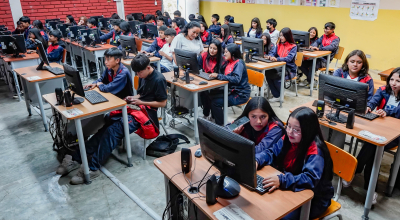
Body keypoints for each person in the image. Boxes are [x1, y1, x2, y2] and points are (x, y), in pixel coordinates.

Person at [57, 54, 167, 185]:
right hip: (137, 107)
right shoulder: (143, 75)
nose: (138, 75)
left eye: (140, 72)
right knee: (107, 124)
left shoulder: (159, 79)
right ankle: (76, 157)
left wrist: (140, 101)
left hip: (147, 114)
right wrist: (134, 98)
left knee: (114, 130)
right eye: (136, 72)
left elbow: (162, 103)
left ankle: (93, 168)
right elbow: (142, 94)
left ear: (148, 67)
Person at [256, 107, 334, 219]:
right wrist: (257, 160)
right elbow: (271, 152)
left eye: (296, 129)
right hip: (292, 187)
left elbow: (309, 179)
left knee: (279, 216)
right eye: (288, 126)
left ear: (308, 130)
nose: (289, 132)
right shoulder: (288, 138)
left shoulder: (315, 151)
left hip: (315, 198)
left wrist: (282, 180)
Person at [344, 68, 400, 205]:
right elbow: (373, 101)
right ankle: (371, 189)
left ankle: (354, 171)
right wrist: (368, 107)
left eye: (398, 81)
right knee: (373, 146)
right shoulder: (383, 90)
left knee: (373, 145)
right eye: (392, 79)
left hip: (394, 135)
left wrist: (386, 111)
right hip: (378, 131)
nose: (394, 83)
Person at [209, 44, 251, 125]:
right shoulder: (228, 62)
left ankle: (221, 125)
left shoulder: (239, 63)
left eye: (226, 52)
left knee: (215, 102)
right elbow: (224, 75)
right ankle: (214, 119)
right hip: (230, 91)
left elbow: (236, 79)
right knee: (210, 95)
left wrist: (218, 76)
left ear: (233, 53)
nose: (224, 54)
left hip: (240, 94)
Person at [299, 22, 340, 89]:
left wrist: (319, 48)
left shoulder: (336, 38)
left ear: (332, 30)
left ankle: (310, 81)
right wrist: (312, 46)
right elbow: (317, 42)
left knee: (313, 65)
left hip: (325, 60)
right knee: (301, 63)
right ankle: (312, 81)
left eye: (328, 29)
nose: (325, 30)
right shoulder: (323, 36)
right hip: (318, 57)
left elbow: (332, 47)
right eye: (325, 29)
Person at [264, 28, 297, 103]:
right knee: (267, 73)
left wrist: (277, 59)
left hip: (289, 69)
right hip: (278, 67)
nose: (281, 38)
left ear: (287, 36)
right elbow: (273, 53)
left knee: (276, 76)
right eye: (280, 36)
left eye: (282, 36)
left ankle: (280, 95)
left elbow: (289, 58)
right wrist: (270, 56)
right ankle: (276, 95)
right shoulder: (278, 44)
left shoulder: (293, 46)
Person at [197, 39, 224, 120]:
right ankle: (206, 114)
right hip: (205, 79)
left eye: (215, 49)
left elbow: (222, 75)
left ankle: (213, 116)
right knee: (203, 92)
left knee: (211, 95)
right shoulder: (203, 55)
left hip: (217, 83)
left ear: (219, 50)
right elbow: (198, 67)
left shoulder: (222, 59)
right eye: (210, 48)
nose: (212, 50)